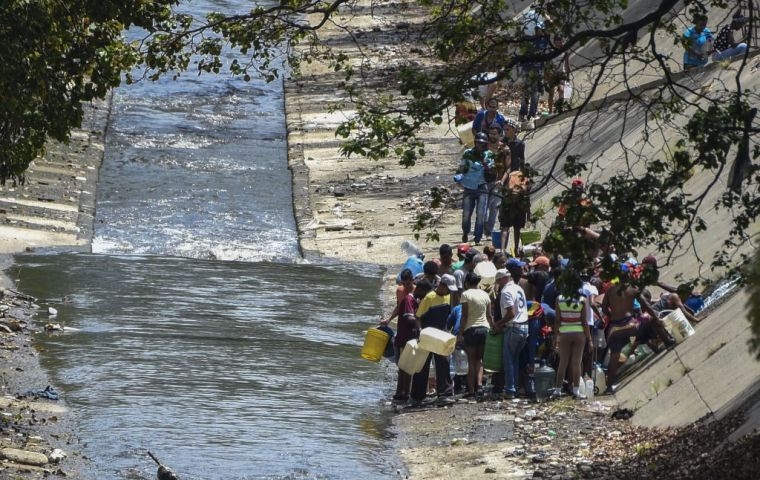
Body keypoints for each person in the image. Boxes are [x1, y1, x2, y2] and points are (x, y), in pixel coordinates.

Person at [602, 280, 675, 394]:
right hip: (632, 324)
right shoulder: (633, 288)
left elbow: (604, 309)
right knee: (648, 316)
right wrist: (657, 319)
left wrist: (612, 317)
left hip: (615, 329)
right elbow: (647, 307)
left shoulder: (609, 291)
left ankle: (609, 388)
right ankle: (668, 342)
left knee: (614, 357)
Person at [410, 275, 457, 405]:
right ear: (441, 285)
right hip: (428, 336)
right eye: (447, 288)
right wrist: (420, 332)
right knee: (422, 365)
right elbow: (418, 317)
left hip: (442, 335)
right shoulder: (429, 297)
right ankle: (416, 397)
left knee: (443, 363)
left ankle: (444, 394)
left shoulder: (448, 297)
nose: (449, 291)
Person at [389, 279, 432, 402]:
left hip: (407, 339)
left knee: (405, 367)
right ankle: (403, 393)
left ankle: (402, 393)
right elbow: (409, 318)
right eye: (425, 293)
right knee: (405, 367)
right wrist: (422, 322)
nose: (425, 296)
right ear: (419, 289)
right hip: (404, 340)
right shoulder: (409, 299)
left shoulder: (414, 300)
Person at [456, 272, 493, 398]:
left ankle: (471, 391)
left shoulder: (465, 294)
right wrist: (493, 327)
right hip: (484, 330)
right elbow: (489, 316)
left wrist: (460, 334)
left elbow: (464, 316)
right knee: (480, 360)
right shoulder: (485, 294)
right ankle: (480, 386)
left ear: (466, 283)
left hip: (471, 330)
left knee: (471, 361)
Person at [498, 263, 529, 398]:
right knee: (515, 359)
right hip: (524, 326)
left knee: (508, 359)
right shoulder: (518, 288)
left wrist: (498, 324)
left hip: (514, 327)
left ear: (503, 279)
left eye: (498, 281)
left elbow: (511, 313)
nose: (498, 284)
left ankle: (510, 390)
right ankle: (514, 386)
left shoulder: (506, 292)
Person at [457, 132, 495, 244]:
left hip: (482, 186)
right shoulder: (468, 153)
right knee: (466, 214)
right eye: (478, 143)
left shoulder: (488, 155)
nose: (480, 146)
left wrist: (485, 163)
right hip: (469, 186)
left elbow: (492, 170)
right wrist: (460, 176)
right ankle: (465, 232)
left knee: (480, 214)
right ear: (475, 143)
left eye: (482, 144)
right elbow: (462, 167)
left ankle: (477, 237)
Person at [553, 293, 592, 398]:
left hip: (564, 333)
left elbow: (557, 320)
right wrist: (589, 339)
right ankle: (576, 391)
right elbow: (584, 322)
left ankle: (557, 390)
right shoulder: (582, 299)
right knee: (576, 363)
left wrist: (555, 337)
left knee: (563, 362)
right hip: (579, 334)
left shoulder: (559, 299)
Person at [519, 9, 551, 128]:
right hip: (528, 69)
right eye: (538, 29)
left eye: (541, 29)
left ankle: (531, 114)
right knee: (526, 92)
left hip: (539, 70)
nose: (540, 31)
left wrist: (544, 15)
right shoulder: (528, 39)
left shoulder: (544, 39)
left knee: (536, 93)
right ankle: (522, 113)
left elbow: (550, 24)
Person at [485, 124, 511, 238]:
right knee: (483, 208)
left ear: (500, 134)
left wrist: (502, 180)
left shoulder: (505, 149)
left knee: (494, 206)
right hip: (484, 181)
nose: (492, 136)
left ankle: (489, 231)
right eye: (490, 133)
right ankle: (483, 228)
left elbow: (508, 167)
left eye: (495, 134)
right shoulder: (484, 147)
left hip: (498, 182)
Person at [499, 165, 531, 255]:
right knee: (517, 228)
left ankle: (502, 250)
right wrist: (528, 216)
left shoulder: (510, 174)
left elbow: (504, 190)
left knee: (505, 228)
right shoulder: (526, 177)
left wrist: (501, 213)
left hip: (508, 204)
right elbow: (527, 197)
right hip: (519, 205)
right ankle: (516, 248)